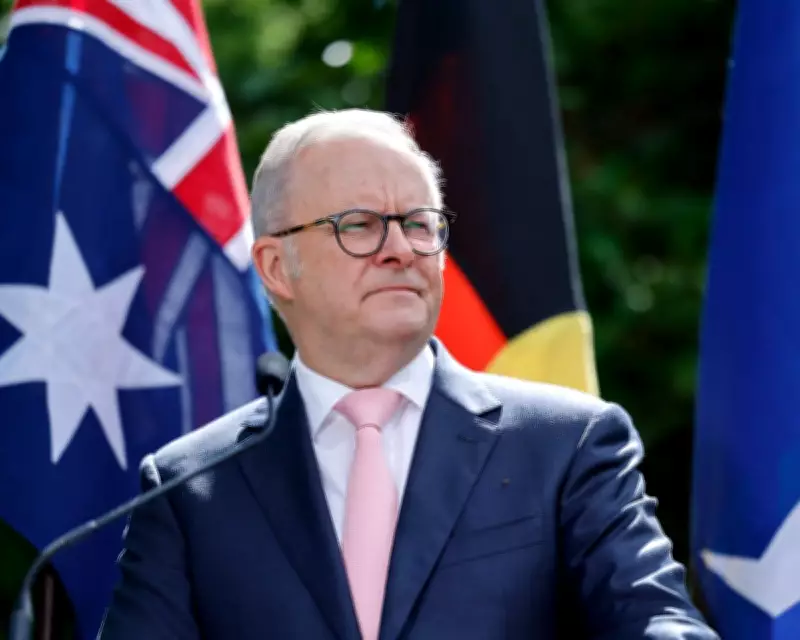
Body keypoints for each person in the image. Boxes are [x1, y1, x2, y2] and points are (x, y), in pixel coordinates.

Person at [98, 108, 718, 639]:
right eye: (359, 225)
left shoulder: (566, 444)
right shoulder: (190, 487)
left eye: (419, 224)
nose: (400, 249)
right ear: (277, 267)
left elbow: (656, 620)